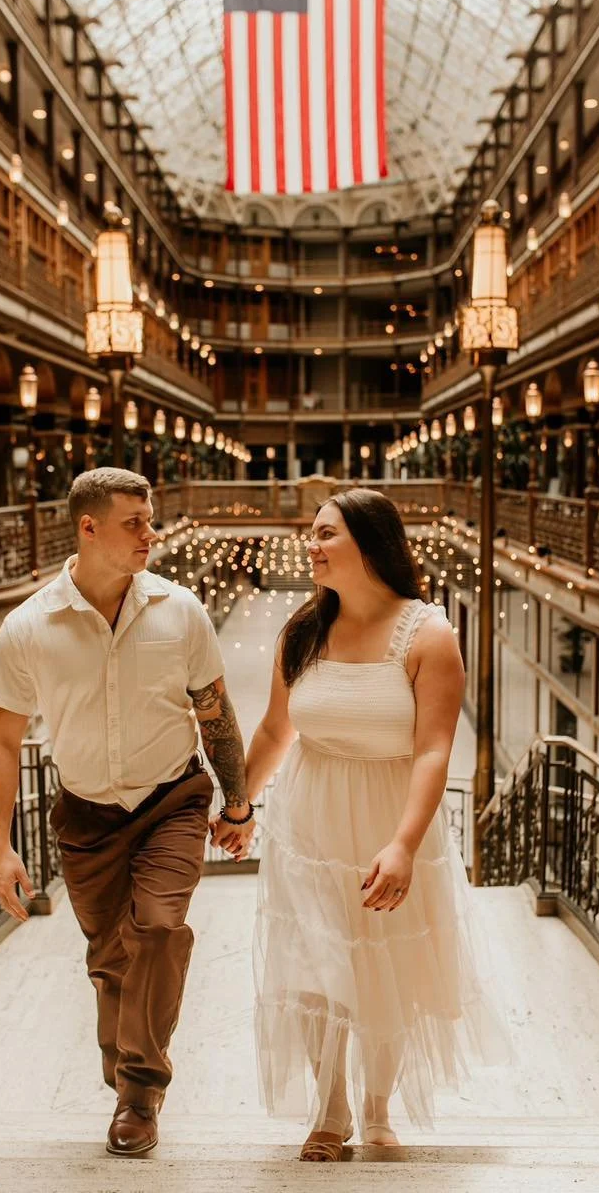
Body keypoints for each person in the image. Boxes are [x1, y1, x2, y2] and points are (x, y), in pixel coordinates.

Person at [212, 488, 509, 1161]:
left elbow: (434, 748)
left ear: (371, 543)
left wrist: (404, 845)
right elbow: (273, 730)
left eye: (325, 534)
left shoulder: (428, 635)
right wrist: (240, 805)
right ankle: (329, 1110)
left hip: (389, 818)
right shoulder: (303, 632)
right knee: (314, 964)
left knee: (385, 966)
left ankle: (378, 1109)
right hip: (309, 820)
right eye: (310, 535)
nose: (310, 546)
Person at [0, 467, 253, 1158]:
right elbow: (1, 741)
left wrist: (238, 802)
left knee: (158, 930)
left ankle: (139, 1091)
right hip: (86, 817)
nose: (150, 534)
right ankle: (126, 1067)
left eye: (149, 519)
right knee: (111, 964)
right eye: (134, 522)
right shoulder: (29, 626)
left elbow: (215, 714)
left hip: (172, 802)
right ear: (88, 528)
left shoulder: (180, 610)